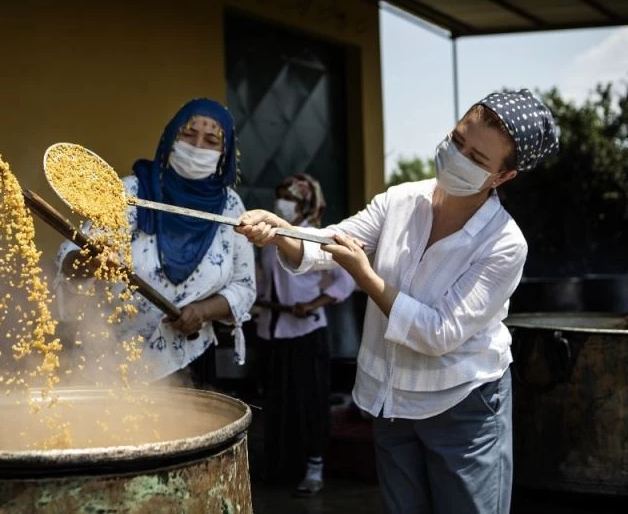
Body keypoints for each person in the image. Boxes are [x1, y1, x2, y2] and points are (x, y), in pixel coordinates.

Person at [236, 89, 560, 513]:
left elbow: (438, 333)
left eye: (477, 160)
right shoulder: (401, 200)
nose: (457, 157)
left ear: (502, 177)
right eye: (457, 139)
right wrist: (281, 230)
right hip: (393, 399)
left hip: (461, 403)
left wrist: (366, 277)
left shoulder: (503, 245)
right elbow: (329, 244)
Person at [54, 98, 256, 384]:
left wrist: (202, 311)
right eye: (188, 134)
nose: (197, 146)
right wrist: (90, 261)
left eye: (211, 140)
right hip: (113, 357)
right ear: (171, 137)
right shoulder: (131, 193)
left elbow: (244, 287)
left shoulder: (231, 208)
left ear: (224, 152)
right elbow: (72, 258)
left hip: (190, 357)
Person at [255, 173, 356, 495]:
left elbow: (347, 278)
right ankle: (282, 467)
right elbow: (261, 282)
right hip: (271, 333)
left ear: (307, 203)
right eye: (280, 195)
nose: (281, 202)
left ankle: (314, 468)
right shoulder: (270, 238)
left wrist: (314, 302)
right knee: (277, 403)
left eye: (291, 197)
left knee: (309, 403)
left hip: (307, 334)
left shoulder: (316, 237)